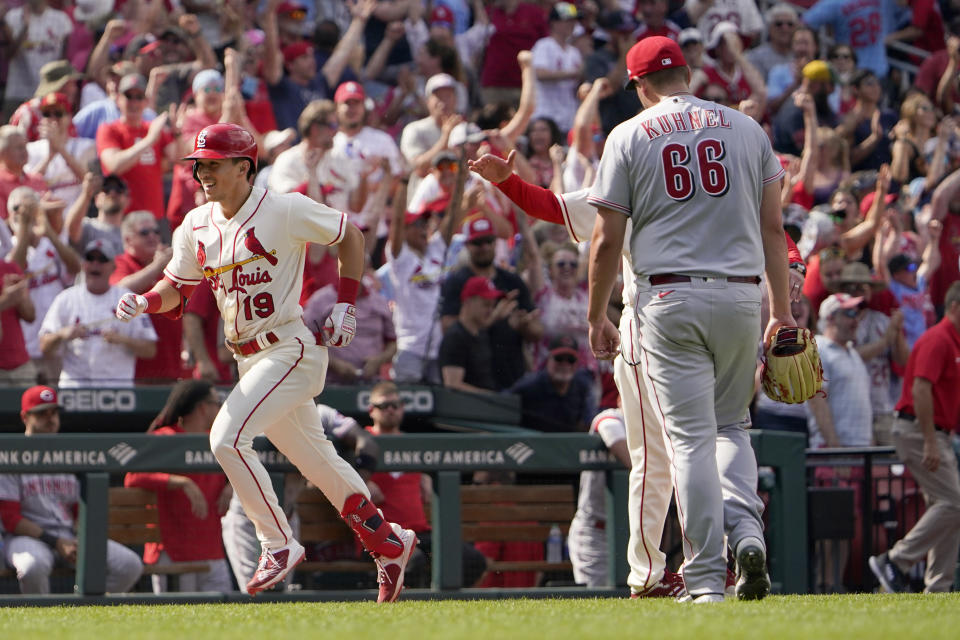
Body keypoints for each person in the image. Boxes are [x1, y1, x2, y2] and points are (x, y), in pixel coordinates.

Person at [113, 123, 417, 602]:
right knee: (316, 461)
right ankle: (386, 541)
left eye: (213, 164)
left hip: (290, 347)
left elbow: (350, 236)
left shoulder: (284, 207)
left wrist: (346, 303)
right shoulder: (195, 224)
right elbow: (177, 286)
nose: (203, 173)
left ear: (243, 166)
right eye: (199, 165)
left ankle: (277, 542)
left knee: (226, 437)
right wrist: (145, 301)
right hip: (247, 359)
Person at [585, 37, 793, 602]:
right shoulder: (747, 129)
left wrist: (597, 314)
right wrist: (783, 309)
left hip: (668, 298)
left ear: (640, 84)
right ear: (689, 73)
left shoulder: (628, 134)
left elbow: (606, 241)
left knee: (692, 441)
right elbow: (774, 230)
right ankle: (748, 534)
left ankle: (706, 580)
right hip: (741, 298)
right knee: (732, 428)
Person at [0, 386, 143, 594]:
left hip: (68, 535)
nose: (50, 418)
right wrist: (57, 542)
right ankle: (42, 622)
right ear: (25, 417)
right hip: (29, 539)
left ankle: (81, 608)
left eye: (54, 412)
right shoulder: (12, 456)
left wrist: (79, 534)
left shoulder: (67, 454)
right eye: (42, 413)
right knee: (32, 567)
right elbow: (10, 518)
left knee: (129, 565)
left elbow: (78, 508)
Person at [870, 281, 960, 594]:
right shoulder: (939, 339)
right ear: (953, 307)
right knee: (954, 502)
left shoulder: (954, 342)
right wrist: (931, 441)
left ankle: (938, 587)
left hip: (932, 432)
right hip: (918, 431)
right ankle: (895, 561)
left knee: (947, 508)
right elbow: (921, 389)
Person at [364, 381, 488, 588]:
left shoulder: (413, 445)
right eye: (384, 406)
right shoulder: (361, 440)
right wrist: (360, 481)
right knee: (414, 561)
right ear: (371, 410)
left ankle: (447, 607)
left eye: (396, 405)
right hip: (379, 534)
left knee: (473, 560)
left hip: (419, 533)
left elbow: (428, 490)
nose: (391, 410)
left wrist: (427, 478)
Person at [123, 380, 232, 593]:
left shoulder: (219, 438)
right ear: (202, 407)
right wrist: (180, 482)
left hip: (212, 550)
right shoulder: (165, 437)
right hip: (173, 551)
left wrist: (232, 485)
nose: (220, 408)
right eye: (216, 403)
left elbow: (243, 466)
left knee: (225, 617)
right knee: (178, 620)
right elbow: (133, 477)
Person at [39, 239, 157, 388]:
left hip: (117, 388)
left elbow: (150, 349)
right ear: (83, 265)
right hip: (75, 388)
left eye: (102, 259)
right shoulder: (66, 299)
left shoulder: (127, 299)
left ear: (113, 267)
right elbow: (44, 345)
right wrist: (62, 334)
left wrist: (123, 340)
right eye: (90, 258)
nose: (96, 264)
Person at [95, 74, 177, 224]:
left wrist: (177, 133)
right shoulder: (109, 130)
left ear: (145, 102)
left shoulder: (153, 128)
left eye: (138, 97)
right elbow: (114, 165)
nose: (134, 102)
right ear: (118, 99)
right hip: (120, 218)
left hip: (154, 218)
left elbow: (180, 159)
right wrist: (149, 140)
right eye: (129, 96)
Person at [567, 406, 629, 587]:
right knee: (599, 600)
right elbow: (610, 431)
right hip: (596, 532)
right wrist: (646, 473)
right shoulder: (612, 417)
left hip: (634, 533)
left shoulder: (653, 424)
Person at [509, 335, 596, 432]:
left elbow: (589, 422)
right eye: (559, 359)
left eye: (570, 360)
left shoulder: (582, 386)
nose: (565, 365)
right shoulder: (531, 384)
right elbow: (503, 403)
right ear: (548, 359)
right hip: (533, 442)